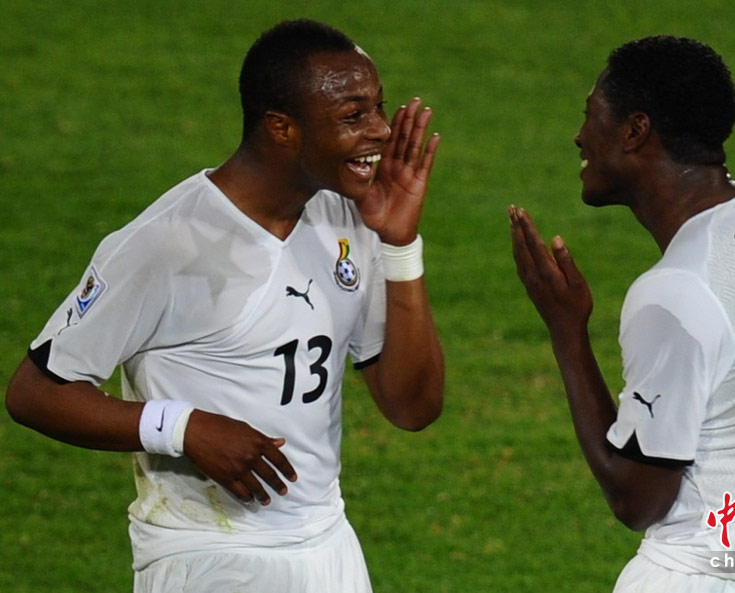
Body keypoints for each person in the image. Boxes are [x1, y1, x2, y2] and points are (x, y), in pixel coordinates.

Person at [6, 18, 444, 593]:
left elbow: (413, 408)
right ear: (282, 128)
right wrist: (181, 427)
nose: (382, 131)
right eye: (353, 115)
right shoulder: (169, 243)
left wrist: (400, 246)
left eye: (379, 108)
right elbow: (34, 393)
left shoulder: (348, 218)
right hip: (207, 554)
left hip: (329, 546)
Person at [509, 35, 735, 592]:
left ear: (635, 130)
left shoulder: (676, 293)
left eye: (590, 116)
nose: (580, 136)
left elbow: (636, 497)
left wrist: (567, 330)